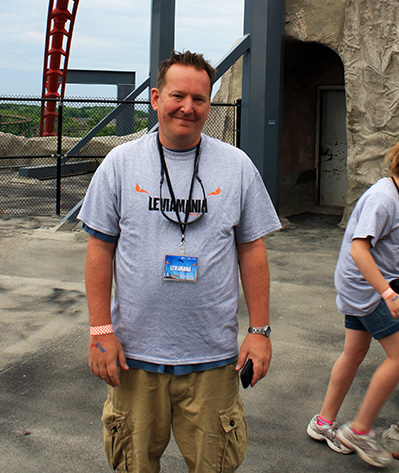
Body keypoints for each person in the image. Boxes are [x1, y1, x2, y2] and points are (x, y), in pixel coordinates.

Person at [80, 50, 282, 473]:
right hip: (135, 358)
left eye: (199, 99)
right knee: (133, 464)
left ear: (210, 104)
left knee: (215, 465)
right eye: (177, 95)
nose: (187, 107)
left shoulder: (236, 166)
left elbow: (252, 249)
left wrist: (260, 331)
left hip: (212, 359)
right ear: (155, 98)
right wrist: (100, 331)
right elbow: (100, 248)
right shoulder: (120, 164)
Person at [306, 140, 399, 468]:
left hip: (368, 290)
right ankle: (359, 431)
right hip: (367, 293)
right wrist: (389, 295)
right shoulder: (383, 199)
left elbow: (391, 256)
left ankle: (324, 423)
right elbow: (359, 250)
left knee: (354, 353)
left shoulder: (395, 198)